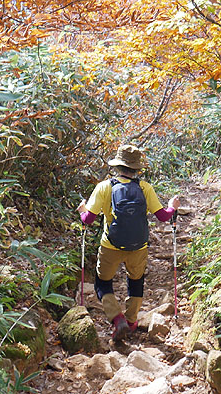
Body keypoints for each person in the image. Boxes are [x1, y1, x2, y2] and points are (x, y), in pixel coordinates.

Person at [78, 144, 179, 340]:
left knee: (102, 283)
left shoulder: (105, 187)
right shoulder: (144, 188)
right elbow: (163, 216)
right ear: (136, 168)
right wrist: (172, 207)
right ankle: (131, 322)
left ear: (117, 166)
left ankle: (117, 319)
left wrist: (83, 210)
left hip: (110, 245)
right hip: (138, 247)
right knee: (136, 281)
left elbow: (88, 219)